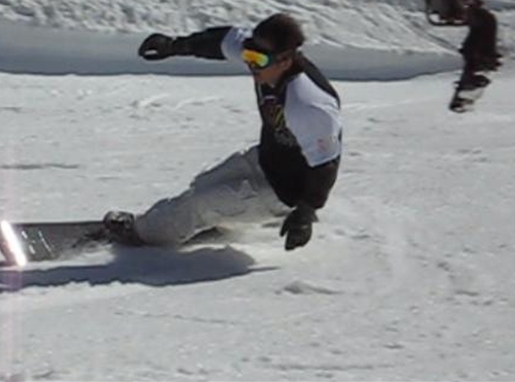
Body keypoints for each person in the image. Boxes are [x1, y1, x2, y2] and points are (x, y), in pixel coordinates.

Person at [103, 13, 342, 251]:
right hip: (265, 159)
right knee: (201, 185)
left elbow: (327, 164)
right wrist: (174, 45)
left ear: (285, 60)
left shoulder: (308, 103)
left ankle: (141, 232)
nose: (251, 64)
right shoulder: (262, 56)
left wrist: (305, 213)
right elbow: (222, 41)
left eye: (258, 60)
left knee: (198, 205)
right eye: (249, 56)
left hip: (283, 192)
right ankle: (217, 219)